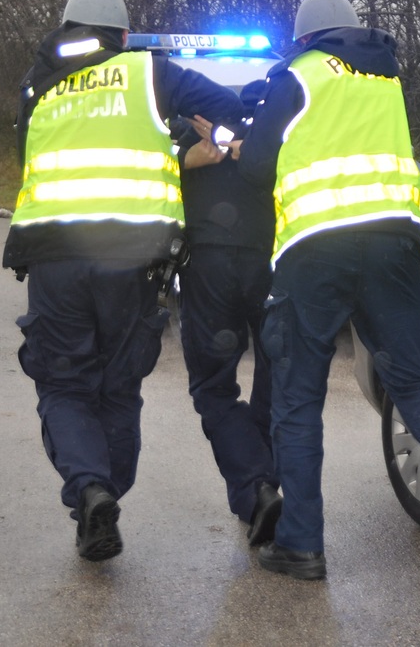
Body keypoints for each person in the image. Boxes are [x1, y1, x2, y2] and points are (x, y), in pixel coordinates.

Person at [232, 0, 420, 581]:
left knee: (297, 400)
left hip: (317, 252)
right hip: (393, 250)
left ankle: (301, 544)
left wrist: (245, 141)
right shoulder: (385, 79)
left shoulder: (296, 76)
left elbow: (256, 170)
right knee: (419, 386)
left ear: (303, 39)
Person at [3, 0, 243, 561]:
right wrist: (204, 144)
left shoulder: (37, 85)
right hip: (132, 262)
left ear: (66, 27)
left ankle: (90, 490)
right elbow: (230, 109)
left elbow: (30, 162)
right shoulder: (150, 74)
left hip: (55, 257)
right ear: (124, 35)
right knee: (117, 384)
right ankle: (106, 488)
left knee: (63, 384)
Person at [172, 79, 281, 548]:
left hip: (211, 265)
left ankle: (254, 485)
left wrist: (182, 158)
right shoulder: (280, 132)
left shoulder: (185, 133)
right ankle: (263, 478)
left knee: (214, 387)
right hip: (272, 262)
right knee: (277, 372)